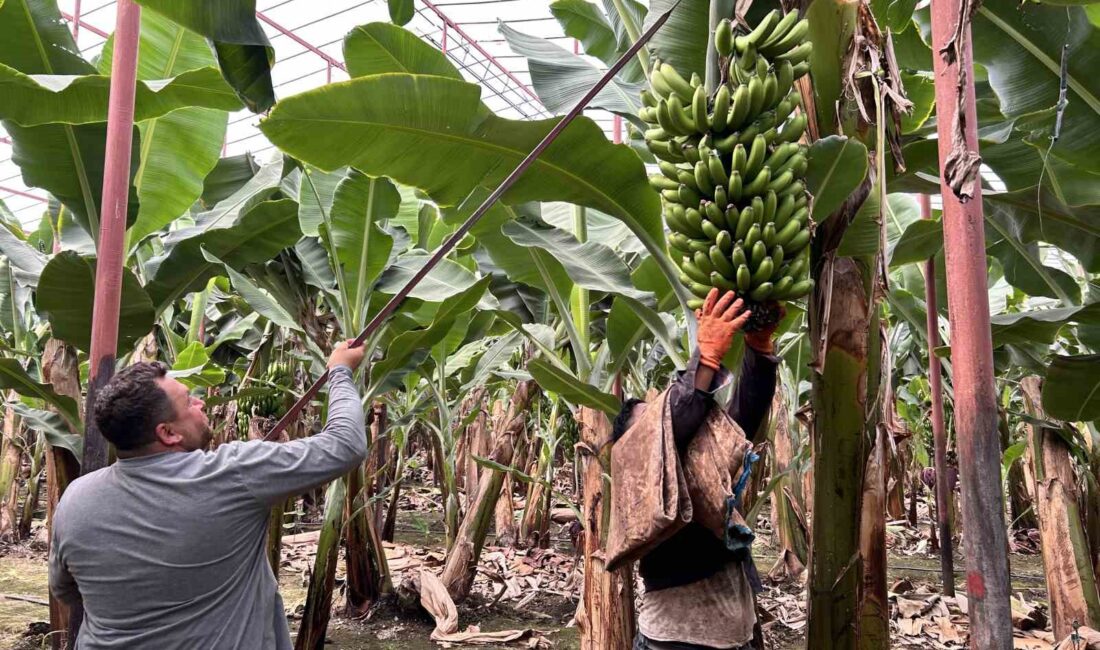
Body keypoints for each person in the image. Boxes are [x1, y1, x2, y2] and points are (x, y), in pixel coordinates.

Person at [49, 341, 368, 649]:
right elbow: (345, 444)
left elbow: (65, 588)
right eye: (189, 402)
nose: (201, 403)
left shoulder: (75, 498)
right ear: (168, 433)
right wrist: (339, 370)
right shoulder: (231, 474)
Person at [612, 289, 780, 650]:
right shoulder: (636, 468)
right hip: (677, 639)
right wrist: (706, 356)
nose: (661, 417)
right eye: (649, 418)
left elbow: (742, 419)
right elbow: (676, 419)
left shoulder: (702, 468)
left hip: (736, 632)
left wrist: (760, 349)